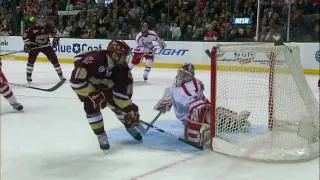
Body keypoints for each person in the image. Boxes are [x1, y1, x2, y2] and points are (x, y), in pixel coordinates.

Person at [154, 63, 250, 148]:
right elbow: (161, 106)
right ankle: (207, 130)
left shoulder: (197, 83)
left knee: (213, 111)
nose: (181, 76)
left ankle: (236, 121)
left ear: (190, 76)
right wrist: (164, 105)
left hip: (199, 110)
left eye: (185, 74)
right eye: (181, 73)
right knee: (203, 112)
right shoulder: (171, 89)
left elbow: (202, 98)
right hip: (187, 117)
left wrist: (209, 107)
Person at [70, 40, 142, 151]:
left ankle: (128, 125)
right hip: (88, 87)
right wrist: (92, 94)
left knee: (117, 105)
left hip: (105, 85)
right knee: (91, 107)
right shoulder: (95, 60)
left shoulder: (122, 69)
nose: (125, 58)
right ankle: (101, 135)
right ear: (114, 54)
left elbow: (121, 94)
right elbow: (76, 82)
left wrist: (130, 108)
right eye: (123, 55)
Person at [22, 15, 66, 83]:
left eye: (43, 21)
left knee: (54, 59)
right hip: (35, 46)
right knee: (31, 61)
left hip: (46, 45)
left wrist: (55, 41)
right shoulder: (32, 28)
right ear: (37, 21)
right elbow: (24, 36)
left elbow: (56, 33)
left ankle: (60, 75)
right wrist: (27, 45)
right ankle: (28, 76)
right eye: (40, 21)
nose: (42, 22)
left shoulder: (48, 26)